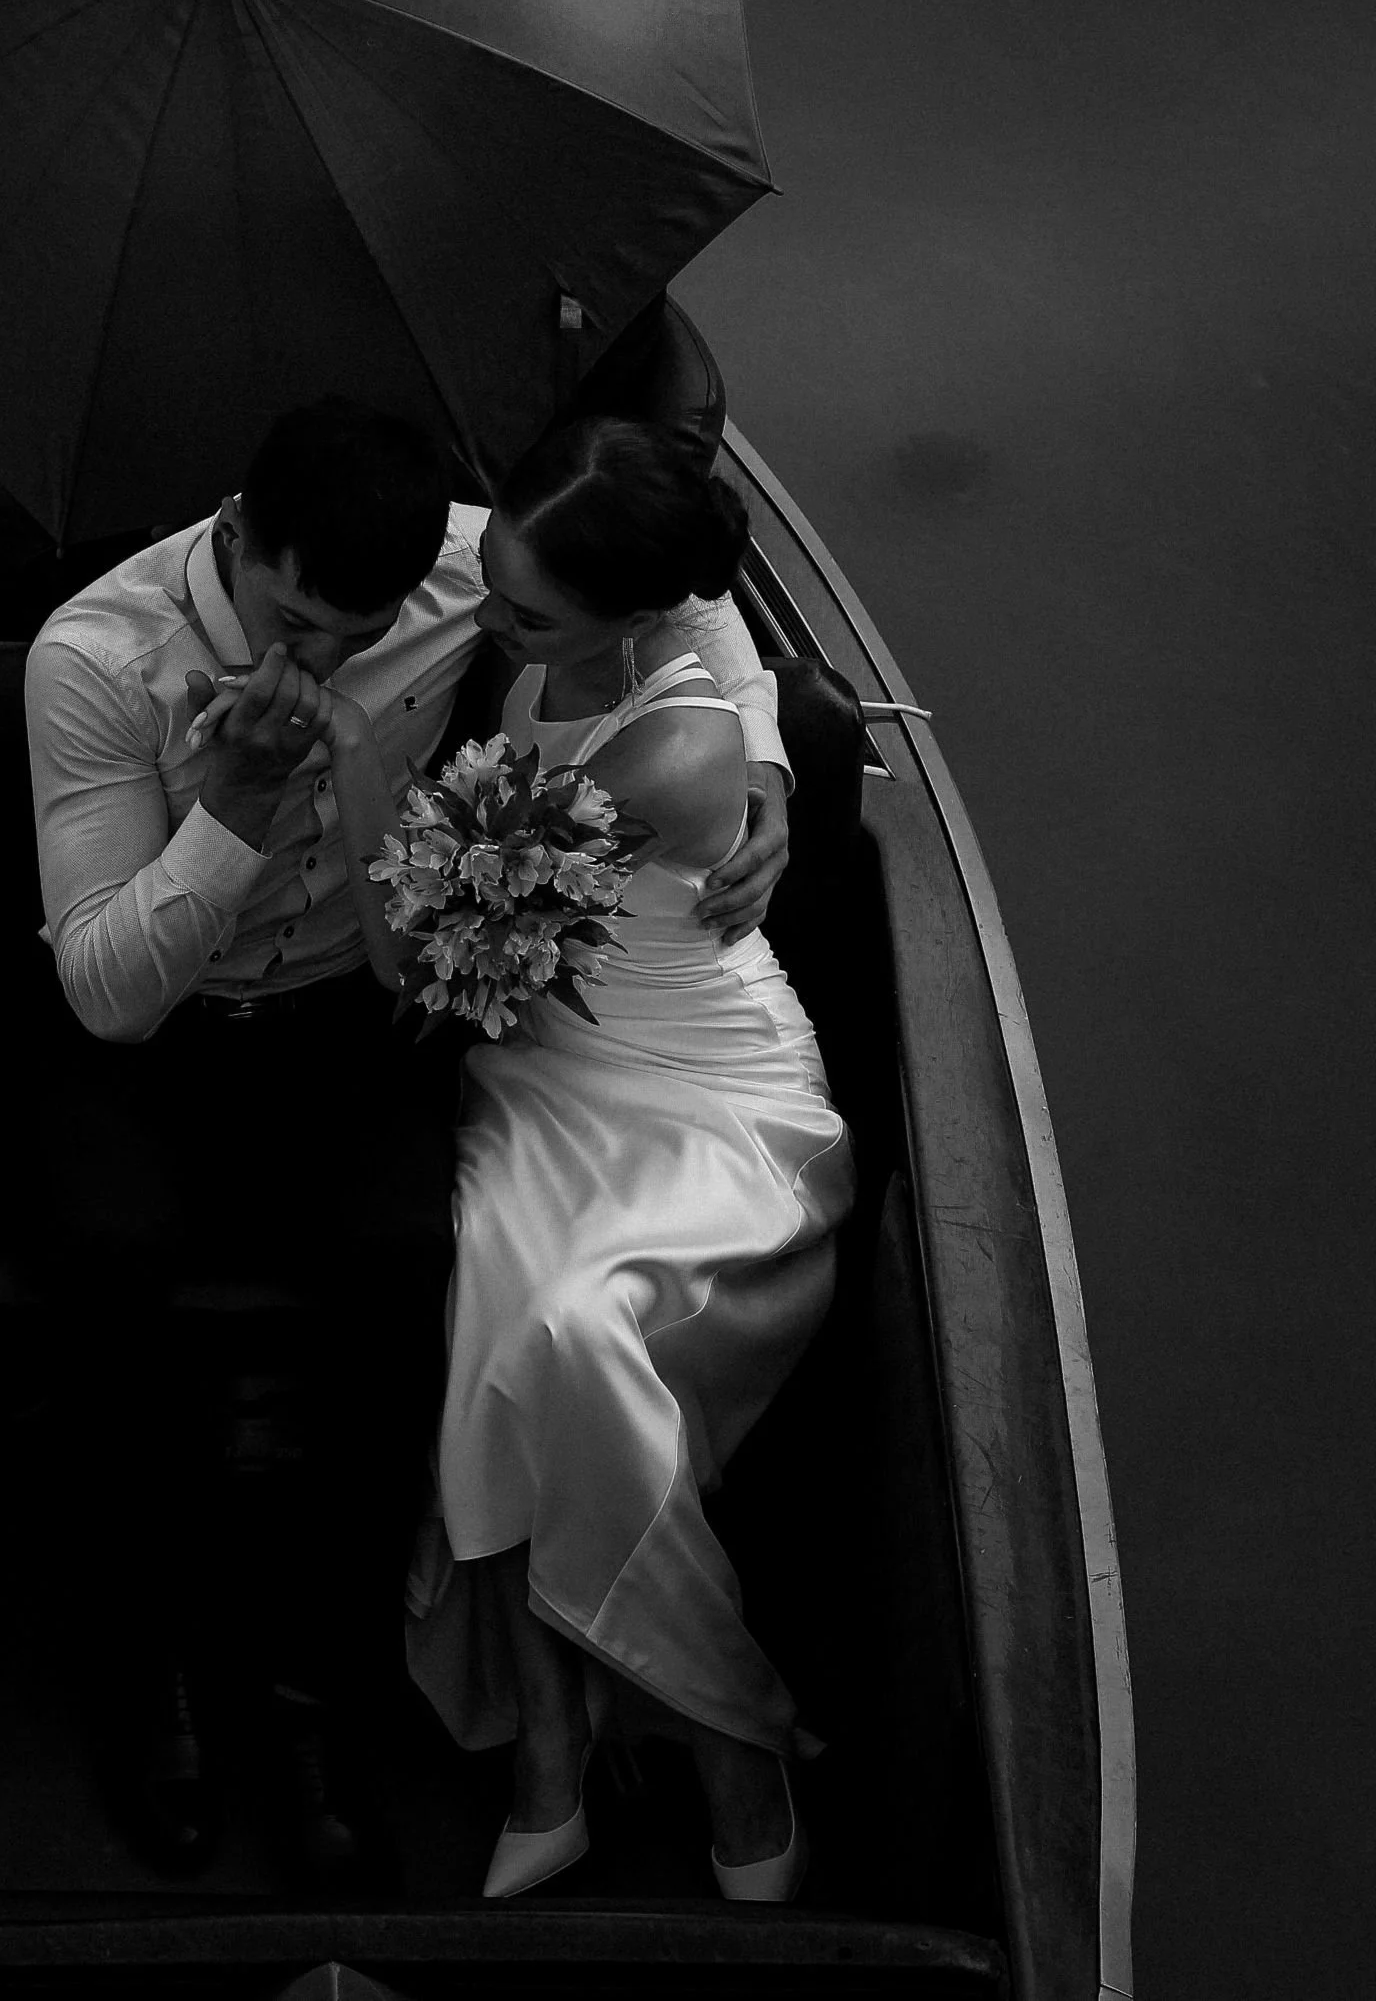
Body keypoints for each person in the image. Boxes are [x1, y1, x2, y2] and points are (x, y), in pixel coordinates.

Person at [24, 395, 793, 1886]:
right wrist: (233, 808)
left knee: (408, 1275)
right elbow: (109, 994)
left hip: (347, 1009)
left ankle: (314, 1686)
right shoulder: (97, 658)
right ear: (238, 542)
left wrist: (759, 761)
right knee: (107, 1265)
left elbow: (681, 595)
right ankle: (152, 1664)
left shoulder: (460, 568)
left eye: (357, 637)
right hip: (157, 1031)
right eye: (295, 624)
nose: (317, 663)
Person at [359, 415, 856, 1904]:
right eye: (497, 578)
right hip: (544, 1070)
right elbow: (709, 621)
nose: (488, 621)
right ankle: (553, 1755)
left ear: (630, 615)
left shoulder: (673, 756)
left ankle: (725, 1736)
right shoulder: (545, 594)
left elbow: (427, 943)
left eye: (524, 615)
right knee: (501, 1314)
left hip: (699, 1088)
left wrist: (346, 767)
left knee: (571, 1336)